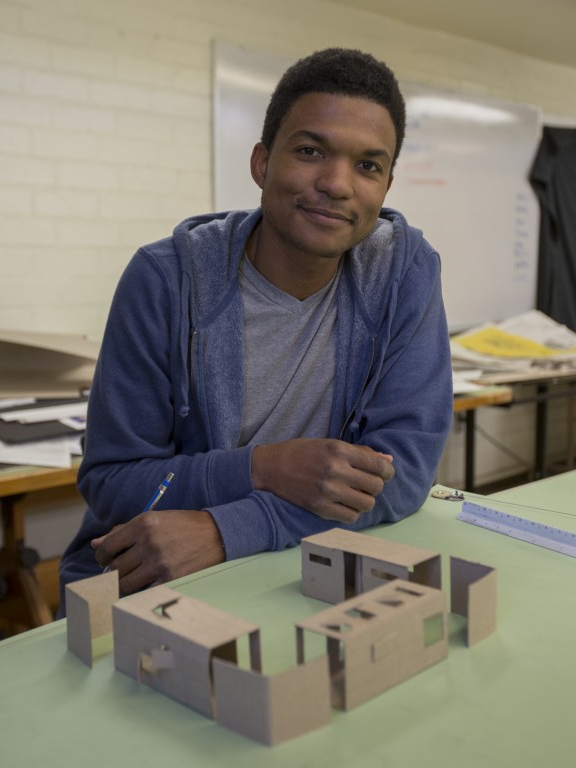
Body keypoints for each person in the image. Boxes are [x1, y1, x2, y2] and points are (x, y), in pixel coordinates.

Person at [58, 47, 453, 607]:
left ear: (387, 185)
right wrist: (265, 467)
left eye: (368, 165)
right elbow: (116, 483)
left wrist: (230, 529)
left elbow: (403, 473)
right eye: (311, 150)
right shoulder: (165, 280)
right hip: (157, 583)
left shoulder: (404, 272)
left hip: (305, 574)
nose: (338, 183)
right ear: (262, 163)